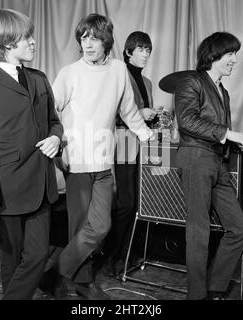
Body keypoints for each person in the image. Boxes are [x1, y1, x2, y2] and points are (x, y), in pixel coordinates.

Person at [52, 14, 154, 300]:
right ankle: (83, 284)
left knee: (100, 226)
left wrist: (149, 137)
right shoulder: (69, 73)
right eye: (83, 38)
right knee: (79, 225)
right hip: (77, 160)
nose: (88, 44)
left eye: (94, 38)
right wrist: (57, 143)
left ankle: (55, 272)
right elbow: (51, 111)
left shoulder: (119, 70)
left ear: (106, 40)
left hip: (104, 161)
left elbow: (130, 113)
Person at [0, 9, 63, 300]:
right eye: (26, 37)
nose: (33, 42)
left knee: (35, 256)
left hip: (42, 187)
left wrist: (56, 138)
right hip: (6, 192)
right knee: (11, 261)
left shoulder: (39, 78)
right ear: (6, 43)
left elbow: (54, 121)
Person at [174, 32, 243, 300]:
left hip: (217, 163)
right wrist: (229, 134)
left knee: (239, 229)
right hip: (196, 160)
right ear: (215, 55)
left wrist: (233, 143)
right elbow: (186, 120)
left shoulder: (223, 92)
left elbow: (215, 131)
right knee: (199, 232)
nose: (234, 60)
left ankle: (215, 287)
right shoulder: (191, 81)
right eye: (230, 54)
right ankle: (197, 296)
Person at [105, 31, 156, 275]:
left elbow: (144, 117)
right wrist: (139, 113)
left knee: (139, 201)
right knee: (126, 202)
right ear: (128, 52)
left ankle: (128, 252)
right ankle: (111, 255)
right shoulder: (118, 74)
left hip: (142, 144)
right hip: (124, 139)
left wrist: (154, 116)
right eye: (141, 49)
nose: (145, 54)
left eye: (148, 50)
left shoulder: (146, 82)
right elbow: (108, 111)